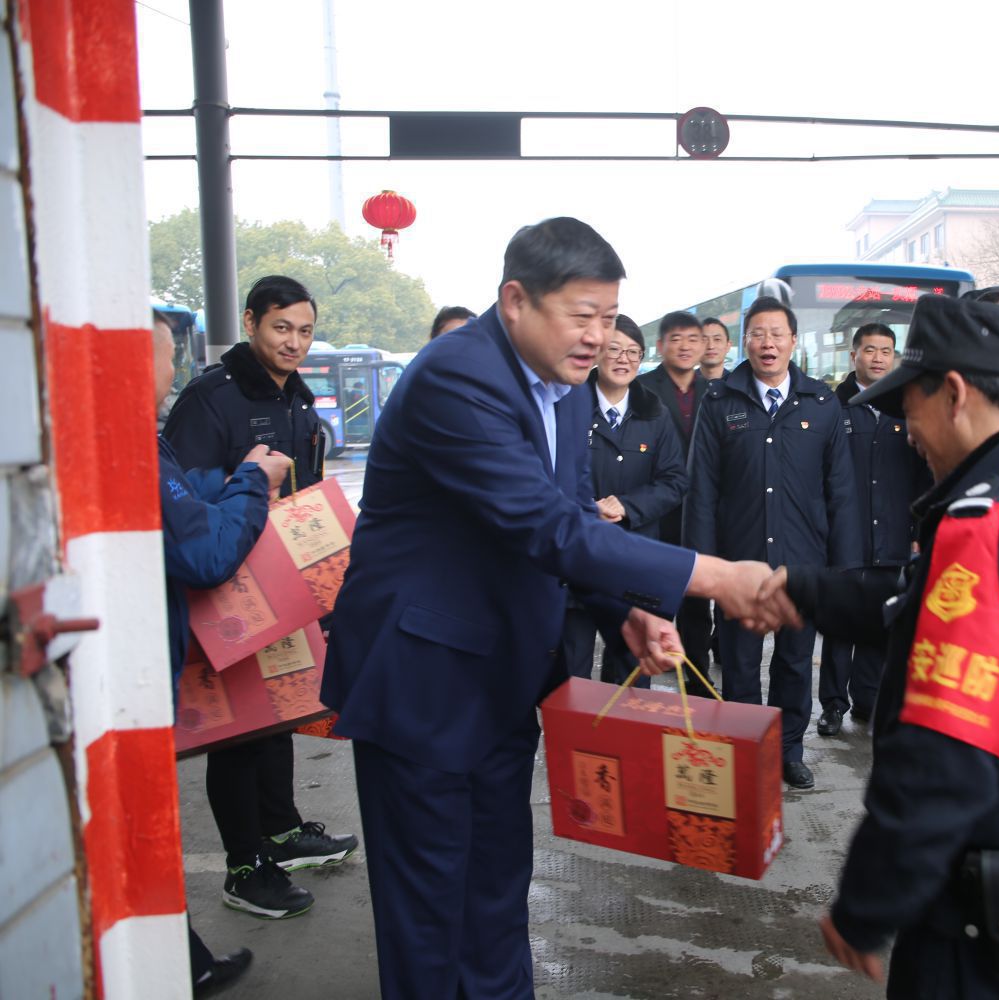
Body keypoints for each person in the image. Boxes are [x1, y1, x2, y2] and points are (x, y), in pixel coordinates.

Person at [319, 217, 770, 999]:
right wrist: (710, 574)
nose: (599, 336)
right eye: (582, 314)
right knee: (429, 908)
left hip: (504, 673)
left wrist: (622, 610)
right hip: (423, 682)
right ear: (516, 300)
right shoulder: (457, 378)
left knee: (498, 885)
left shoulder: (563, 385)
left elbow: (570, 514)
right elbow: (543, 526)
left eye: (610, 316)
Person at [752, 293, 999, 998]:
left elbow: (941, 760)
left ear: (957, 394)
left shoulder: (988, 530)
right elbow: (923, 599)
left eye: (911, 409)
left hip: (987, 934)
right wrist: (803, 590)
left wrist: (867, 904)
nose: (909, 433)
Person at [162, 275, 358, 919]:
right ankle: (244, 867)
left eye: (304, 330)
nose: (293, 342)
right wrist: (244, 482)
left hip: (285, 582)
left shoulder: (298, 398)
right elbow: (185, 500)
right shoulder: (211, 398)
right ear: (250, 323)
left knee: (280, 710)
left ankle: (280, 829)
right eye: (281, 328)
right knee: (239, 730)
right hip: (230, 586)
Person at [152, 311, 287, 995]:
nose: (171, 369)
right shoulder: (193, 408)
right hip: (145, 661)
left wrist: (237, 479)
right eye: (162, 355)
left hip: (154, 650)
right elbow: (203, 550)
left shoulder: (144, 438)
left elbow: (185, 495)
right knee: (138, 819)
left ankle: (185, 958)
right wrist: (252, 483)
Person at [685, 295, 859, 789]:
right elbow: (702, 491)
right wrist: (703, 570)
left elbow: (841, 489)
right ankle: (747, 754)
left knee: (795, 662)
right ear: (746, 342)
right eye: (758, 334)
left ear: (793, 341)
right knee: (739, 664)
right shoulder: (720, 402)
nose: (768, 343)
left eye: (777, 334)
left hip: (805, 561)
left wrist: (844, 569)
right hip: (739, 562)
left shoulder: (821, 403)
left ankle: (788, 750)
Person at [561, 314, 688, 686]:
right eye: (614, 349)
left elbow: (675, 480)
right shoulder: (568, 405)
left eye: (633, 352)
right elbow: (551, 474)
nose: (623, 359)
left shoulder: (655, 413)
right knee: (572, 675)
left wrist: (628, 506)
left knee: (633, 677)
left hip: (634, 559)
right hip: (579, 556)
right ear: (597, 353)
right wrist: (588, 508)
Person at [817, 322, 928, 738]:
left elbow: (922, 474)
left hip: (893, 532)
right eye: (869, 350)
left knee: (880, 620)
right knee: (840, 619)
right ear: (854, 356)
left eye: (885, 351)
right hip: (844, 534)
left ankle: (868, 699)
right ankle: (833, 704)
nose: (878, 358)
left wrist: (917, 527)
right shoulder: (833, 406)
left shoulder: (907, 406)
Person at [637, 311, 714, 694]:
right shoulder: (641, 389)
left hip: (698, 515)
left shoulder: (716, 392)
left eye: (692, 339)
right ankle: (636, 690)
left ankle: (698, 682)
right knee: (647, 603)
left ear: (703, 345)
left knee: (697, 606)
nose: (685, 346)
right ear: (661, 345)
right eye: (676, 339)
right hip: (654, 515)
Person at [700, 316, 731, 380]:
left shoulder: (739, 384)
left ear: (728, 346)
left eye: (717, 339)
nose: (711, 346)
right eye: (704, 340)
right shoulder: (684, 383)